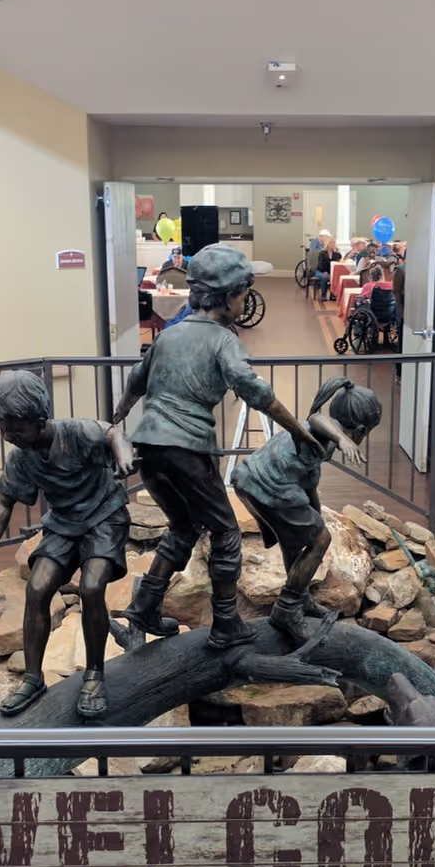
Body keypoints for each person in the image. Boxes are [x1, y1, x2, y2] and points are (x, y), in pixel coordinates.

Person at [108, 244, 322, 649]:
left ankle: (144, 607)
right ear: (227, 297)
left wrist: (118, 420)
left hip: (150, 450)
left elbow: (136, 382)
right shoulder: (224, 341)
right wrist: (297, 429)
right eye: (244, 293)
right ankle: (226, 624)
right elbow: (255, 390)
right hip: (186, 451)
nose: (245, 301)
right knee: (226, 534)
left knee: (184, 527)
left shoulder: (170, 336)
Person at [0, 370, 135, 719]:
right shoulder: (22, 457)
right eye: (2, 428)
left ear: (39, 420)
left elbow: (112, 432)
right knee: (36, 588)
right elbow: (2, 506)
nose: (7, 436)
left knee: (92, 586)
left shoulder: (76, 432)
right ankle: (33, 678)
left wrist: (123, 456)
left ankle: (94, 674)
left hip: (104, 518)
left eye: (15, 428)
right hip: (64, 525)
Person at [232, 377, 383, 640]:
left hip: (251, 479)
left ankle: (298, 597)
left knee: (297, 543)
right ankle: (287, 609)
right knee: (320, 540)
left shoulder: (323, 444)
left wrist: (315, 513)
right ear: (360, 430)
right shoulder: (325, 431)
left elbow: (309, 478)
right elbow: (316, 418)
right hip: (265, 484)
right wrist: (343, 440)